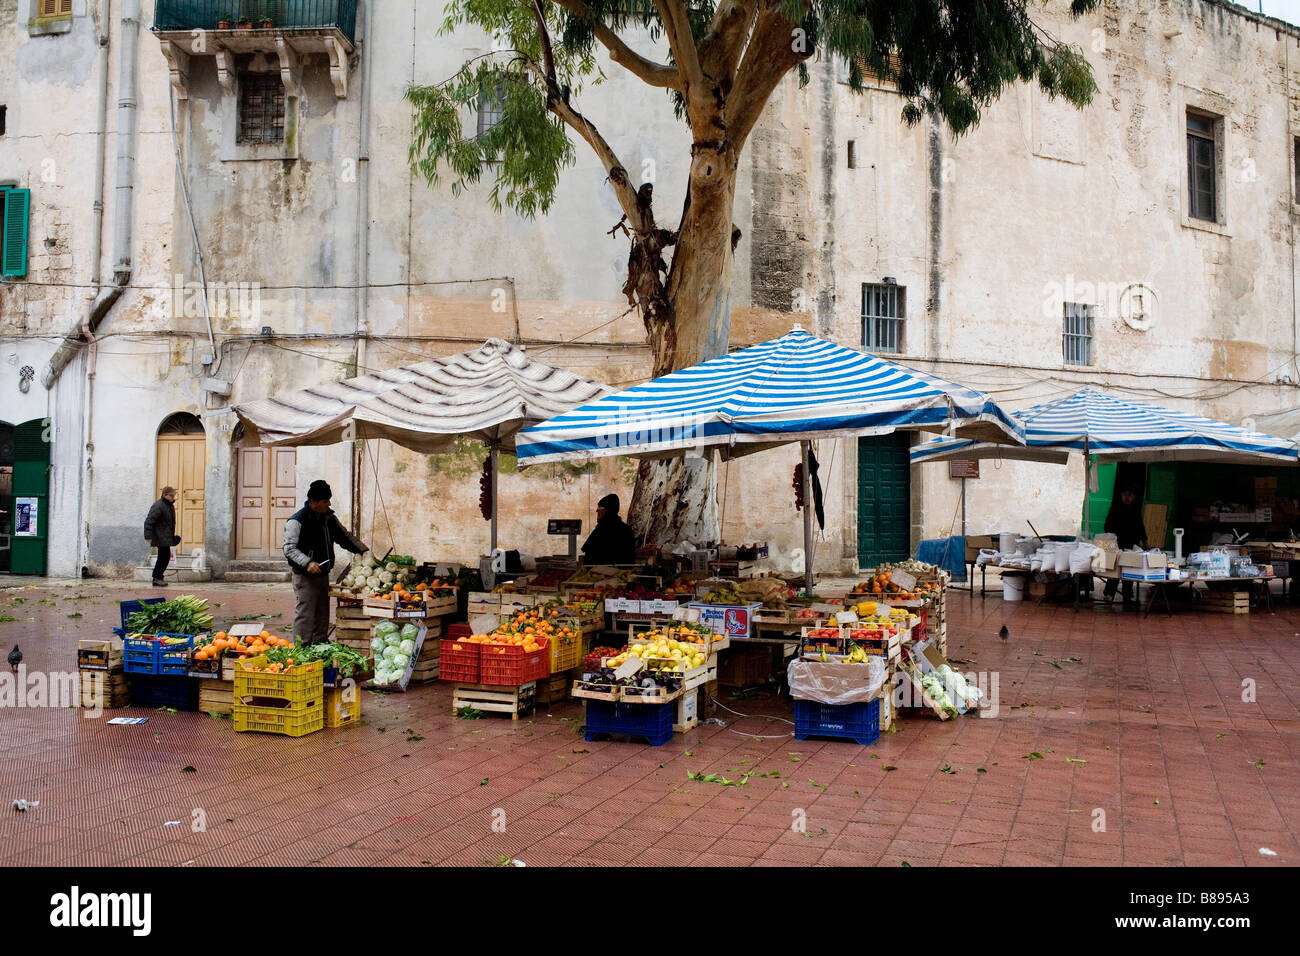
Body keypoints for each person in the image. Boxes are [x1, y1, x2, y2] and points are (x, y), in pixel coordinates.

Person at [284, 480, 368, 645]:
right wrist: (307, 563)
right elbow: (289, 549)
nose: (329, 503)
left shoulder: (328, 518)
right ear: (313, 502)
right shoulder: (297, 521)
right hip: (305, 576)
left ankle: (320, 644)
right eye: (325, 501)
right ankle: (301, 649)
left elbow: (345, 537)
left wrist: (364, 552)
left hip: (323, 574)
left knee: (322, 613)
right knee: (306, 613)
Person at [1103, 485, 1148, 607]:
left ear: (1133, 496)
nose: (1126, 498)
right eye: (1124, 495)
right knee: (1114, 572)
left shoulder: (1135, 511)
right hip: (1117, 546)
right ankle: (1109, 594)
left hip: (1131, 546)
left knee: (1129, 571)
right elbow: (1107, 526)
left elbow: (1140, 528)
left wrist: (1145, 544)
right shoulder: (1115, 509)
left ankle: (1127, 596)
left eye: (1129, 495)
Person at [581, 493, 637, 566]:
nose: (596, 510)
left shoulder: (603, 530)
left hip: (604, 574)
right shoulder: (626, 529)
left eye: (599, 507)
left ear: (607, 510)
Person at [143, 486, 180, 587]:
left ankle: (158, 577)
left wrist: (172, 538)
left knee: (164, 557)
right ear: (165, 495)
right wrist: (148, 536)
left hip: (165, 536)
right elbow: (149, 521)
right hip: (160, 537)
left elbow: (169, 524)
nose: (173, 497)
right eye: (171, 495)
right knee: (163, 558)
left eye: (174, 495)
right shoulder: (159, 505)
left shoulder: (169, 505)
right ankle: (157, 578)